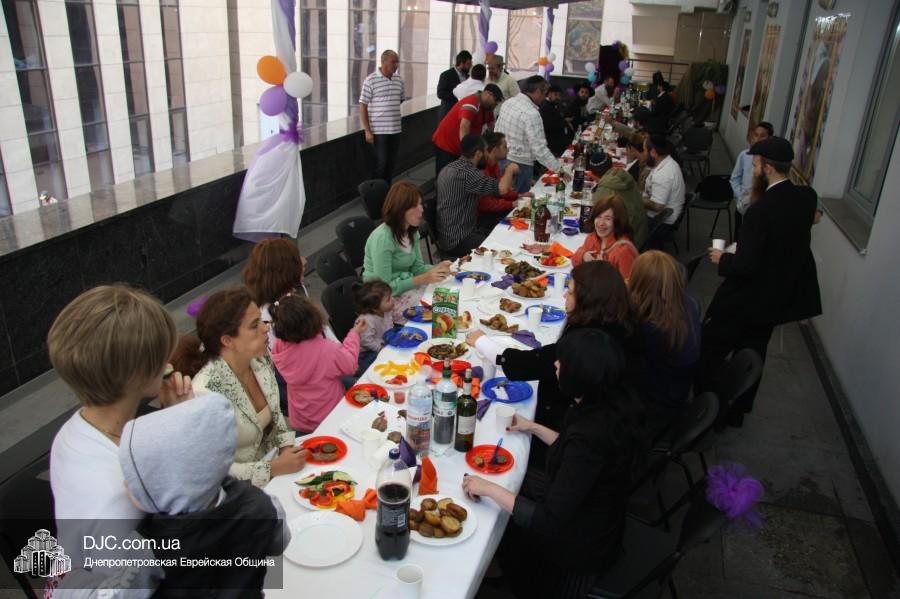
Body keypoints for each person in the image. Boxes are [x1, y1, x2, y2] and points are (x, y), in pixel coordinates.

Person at [462, 328, 646, 599]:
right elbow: (573, 453)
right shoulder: (608, 405)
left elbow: (547, 520)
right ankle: (499, 562)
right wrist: (533, 427)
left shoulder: (590, 436)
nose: (556, 364)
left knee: (494, 503)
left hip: (579, 550)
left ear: (581, 376)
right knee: (511, 482)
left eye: (563, 362)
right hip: (592, 511)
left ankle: (504, 571)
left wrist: (488, 488)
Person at [47, 285, 193, 590]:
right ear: (138, 373)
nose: (169, 360)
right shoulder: (122, 496)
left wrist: (172, 420)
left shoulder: (76, 427)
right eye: (161, 355)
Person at [701, 137, 822, 428]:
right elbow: (811, 219)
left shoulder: (760, 211)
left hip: (746, 299)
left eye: (755, 165)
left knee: (711, 350)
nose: (753, 170)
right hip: (777, 297)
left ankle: (708, 408)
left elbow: (746, 264)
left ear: (768, 168)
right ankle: (738, 411)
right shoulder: (805, 198)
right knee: (753, 353)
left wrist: (722, 258)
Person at [119, 394, 290, 596]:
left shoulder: (148, 547)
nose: (125, 484)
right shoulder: (262, 504)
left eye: (136, 479)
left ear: (168, 487)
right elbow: (279, 543)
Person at [466, 261, 640, 433]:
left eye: (570, 292)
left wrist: (482, 342)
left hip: (571, 426)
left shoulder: (590, 342)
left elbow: (534, 364)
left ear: (588, 300)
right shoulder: (615, 323)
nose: (564, 296)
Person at [171, 287, 305, 487]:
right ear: (227, 340)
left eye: (261, 320)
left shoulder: (259, 359)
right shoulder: (205, 393)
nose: (265, 328)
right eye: (254, 325)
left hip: (277, 467)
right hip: (242, 492)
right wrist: (273, 468)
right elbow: (216, 472)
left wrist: (286, 447)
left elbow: (277, 417)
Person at [270, 293, 365, 434]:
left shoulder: (279, 346)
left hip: (301, 420)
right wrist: (354, 334)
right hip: (331, 416)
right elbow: (350, 365)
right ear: (313, 318)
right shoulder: (326, 349)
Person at [629, 251, 701, 436]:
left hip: (657, 405)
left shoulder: (654, 329)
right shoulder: (688, 303)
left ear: (641, 285)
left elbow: (632, 368)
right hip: (677, 390)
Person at [362, 181, 452, 317]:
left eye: (421, 204)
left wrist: (438, 268)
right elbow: (384, 289)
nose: (421, 209)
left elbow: (417, 268)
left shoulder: (411, 231)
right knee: (437, 310)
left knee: (447, 297)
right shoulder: (382, 238)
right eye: (415, 206)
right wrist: (424, 278)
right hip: (383, 300)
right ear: (400, 209)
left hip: (404, 287)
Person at [436, 133, 517, 256]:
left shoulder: (448, 168)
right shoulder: (468, 173)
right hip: (459, 239)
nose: (487, 155)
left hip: (447, 235)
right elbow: (503, 189)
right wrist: (510, 170)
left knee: (503, 233)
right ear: (478, 153)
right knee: (504, 249)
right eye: (485, 151)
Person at [495, 75, 562, 193]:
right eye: (544, 94)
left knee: (503, 196)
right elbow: (539, 149)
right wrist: (558, 169)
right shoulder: (532, 114)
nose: (544, 97)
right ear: (537, 92)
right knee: (518, 201)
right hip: (521, 165)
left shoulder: (508, 102)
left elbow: (497, 130)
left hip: (502, 159)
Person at [432, 84, 503, 176]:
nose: (496, 104)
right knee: (444, 175)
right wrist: (468, 152)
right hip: (446, 144)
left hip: (459, 146)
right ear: (487, 94)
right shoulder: (472, 102)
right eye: (495, 101)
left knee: (457, 175)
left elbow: (492, 127)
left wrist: (497, 145)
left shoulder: (487, 108)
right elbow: (464, 126)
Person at [359, 49, 404, 183]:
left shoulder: (399, 79)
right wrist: (367, 130)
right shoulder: (370, 80)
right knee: (381, 164)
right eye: (393, 62)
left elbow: (400, 99)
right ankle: (375, 192)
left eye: (397, 62)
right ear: (383, 61)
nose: (396, 65)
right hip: (379, 131)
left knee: (391, 164)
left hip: (395, 129)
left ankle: (387, 192)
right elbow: (362, 105)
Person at [571, 194, 639, 281]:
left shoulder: (623, 251)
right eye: (598, 217)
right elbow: (574, 259)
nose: (601, 223)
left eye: (608, 218)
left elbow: (628, 286)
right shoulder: (593, 237)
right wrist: (583, 256)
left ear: (618, 221)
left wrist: (603, 271)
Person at [478, 131, 531, 228]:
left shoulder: (494, 165)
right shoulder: (482, 170)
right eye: (505, 147)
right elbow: (485, 204)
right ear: (495, 150)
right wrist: (512, 204)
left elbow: (501, 192)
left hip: (494, 211)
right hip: (485, 218)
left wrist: (519, 195)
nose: (508, 149)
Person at [642, 134, 686, 249]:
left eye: (644, 150)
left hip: (660, 223)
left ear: (653, 152)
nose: (643, 154)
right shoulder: (667, 162)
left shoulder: (663, 174)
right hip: (665, 216)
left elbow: (657, 206)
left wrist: (636, 199)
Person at [731, 121, 773, 236]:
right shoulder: (744, 155)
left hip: (760, 207)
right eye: (756, 135)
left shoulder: (771, 161)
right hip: (743, 203)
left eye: (762, 136)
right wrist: (740, 195)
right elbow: (735, 178)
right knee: (739, 235)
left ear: (769, 138)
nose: (758, 139)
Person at [592, 165, 649, 249]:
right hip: (638, 237)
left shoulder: (607, 190)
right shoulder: (631, 188)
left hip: (624, 244)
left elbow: (598, 209)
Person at [353, 279, 395, 373]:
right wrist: (381, 348)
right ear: (375, 308)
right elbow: (366, 341)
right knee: (383, 367)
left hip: (381, 342)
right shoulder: (366, 321)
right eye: (388, 299)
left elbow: (389, 324)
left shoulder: (385, 310)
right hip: (366, 353)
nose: (393, 299)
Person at [437, 50, 472, 118]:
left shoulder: (468, 77)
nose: (470, 66)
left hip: (463, 114)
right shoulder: (446, 75)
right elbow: (440, 93)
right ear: (461, 63)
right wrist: (458, 95)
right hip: (448, 113)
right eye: (468, 64)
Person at [540, 84, 572, 157]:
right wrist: (563, 122)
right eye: (556, 95)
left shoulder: (554, 104)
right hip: (553, 142)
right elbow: (548, 126)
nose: (558, 97)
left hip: (559, 138)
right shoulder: (545, 107)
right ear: (549, 94)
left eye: (559, 95)